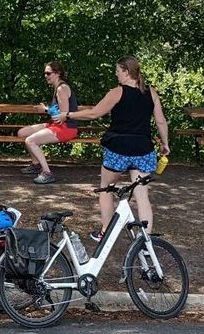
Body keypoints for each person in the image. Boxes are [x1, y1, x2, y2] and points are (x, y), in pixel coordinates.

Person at [70, 56, 171, 238]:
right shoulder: (151, 93)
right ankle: (145, 240)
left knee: (106, 188)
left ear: (126, 71)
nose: (116, 74)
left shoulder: (117, 92)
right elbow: (161, 121)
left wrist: (68, 115)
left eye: (117, 71)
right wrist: (165, 143)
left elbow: (94, 114)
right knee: (142, 195)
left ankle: (106, 232)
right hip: (143, 149)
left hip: (118, 149)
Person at [15, 60, 78, 185]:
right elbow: (59, 110)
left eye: (48, 73)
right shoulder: (58, 87)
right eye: (45, 73)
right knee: (22, 133)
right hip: (56, 125)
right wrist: (48, 109)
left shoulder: (62, 88)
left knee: (30, 141)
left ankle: (47, 173)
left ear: (58, 73)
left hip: (66, 128)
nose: (46, 76)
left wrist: (45, 110)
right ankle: (36, 164)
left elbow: (63, 115)